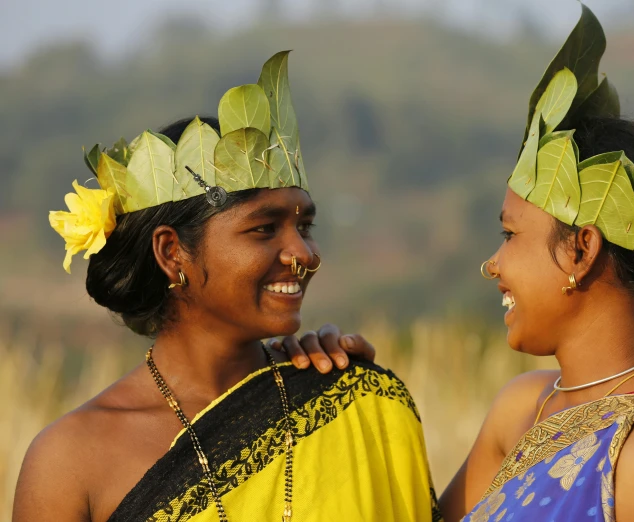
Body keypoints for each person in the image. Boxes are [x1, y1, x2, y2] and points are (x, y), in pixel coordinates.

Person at [301, 6, 634, 522]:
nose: (493, 264)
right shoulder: (524, 406)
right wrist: (348, 394)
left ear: (581, 250)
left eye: (510, 234)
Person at [13, 52, 441, 522]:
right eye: (264, 229)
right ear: (171, 253)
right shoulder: (69, 461)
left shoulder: (353, 402)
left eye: (306, 226)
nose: (304, 254)